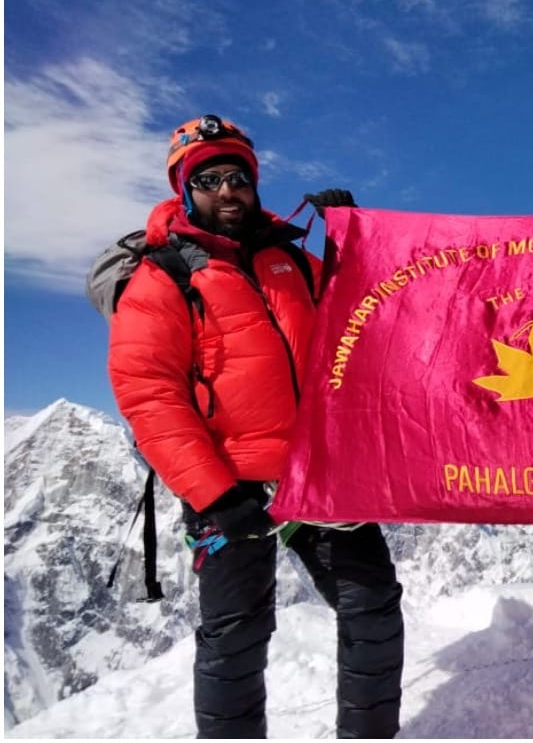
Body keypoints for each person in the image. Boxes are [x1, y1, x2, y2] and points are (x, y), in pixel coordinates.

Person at [107, 114, 405, 738]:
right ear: (187, 191)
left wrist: (351, 242)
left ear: (254, 183)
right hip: (232, 486)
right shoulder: (163, 276)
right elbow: (149, 394)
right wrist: (214, 494)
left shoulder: (292, 263)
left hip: (318, 473)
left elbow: (366, 320)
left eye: (236, 176)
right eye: (208, 178)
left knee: (372, 608)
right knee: (236, 638)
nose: (226, 190)